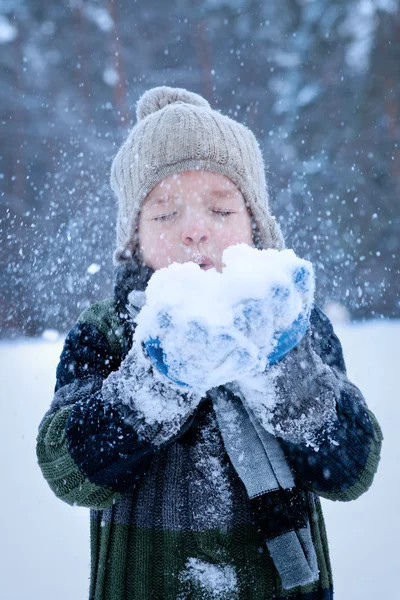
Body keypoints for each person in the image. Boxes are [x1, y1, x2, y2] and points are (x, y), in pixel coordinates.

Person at [36, 86, 383, 600]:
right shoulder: (107, 331)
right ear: (133, 239)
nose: (196, 231)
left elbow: (350, 470)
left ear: (256, 228)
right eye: (164, 214)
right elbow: (68, 472)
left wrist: (279, 371)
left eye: (221, 211)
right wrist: (157, 380)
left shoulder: (295, 328)